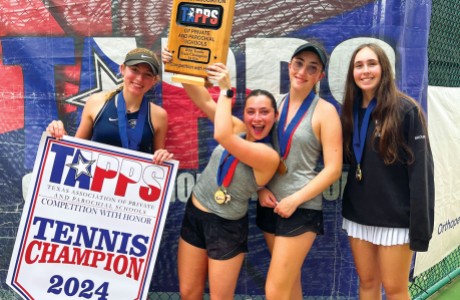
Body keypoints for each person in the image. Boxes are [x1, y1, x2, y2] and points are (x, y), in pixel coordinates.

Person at [163, 48, 280, 300]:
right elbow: (203, 100)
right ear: (244, 115)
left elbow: (221, 136)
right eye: (251, 111)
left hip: (226, 227)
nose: (257, 118)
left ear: (275, 116)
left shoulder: (269, 156)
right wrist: (179, 64)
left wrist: (227, 90)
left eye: (264, 112)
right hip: (195, 214)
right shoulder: (236, 127)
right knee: (188, 293)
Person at [340, 43, 434, 300]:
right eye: (359, 66)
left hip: (396, 220)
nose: (365, 71)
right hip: (359, 215)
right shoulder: (349, 111)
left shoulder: (406, 110)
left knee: (395, 290)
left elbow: (421, 172)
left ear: (384, 68)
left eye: (372, 63)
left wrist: (420, 227)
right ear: (352, 73)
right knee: (367, 283)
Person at [256, 42, 343, 300]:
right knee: (290, 287)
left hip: (301, 209)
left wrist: (295, 199)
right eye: (299, 64)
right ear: (290, 66)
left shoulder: (325, 112)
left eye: (312, 68)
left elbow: (333, 169)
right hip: (270, 204)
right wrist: (260, 188)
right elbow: (256, 152)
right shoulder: (273, 105)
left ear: (320, 76)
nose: (303, 72)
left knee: (275, 291)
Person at [47, 47, 172, 163]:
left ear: (154, 80)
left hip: (132, 185)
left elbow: (157, 162)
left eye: (147, 74)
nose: (139, 78)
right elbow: (76, 150)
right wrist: (58, 133)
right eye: (134, 70)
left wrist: (162, 156)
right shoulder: (96, 103)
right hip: (94, 183)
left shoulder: (159, 115)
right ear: (122, 69)